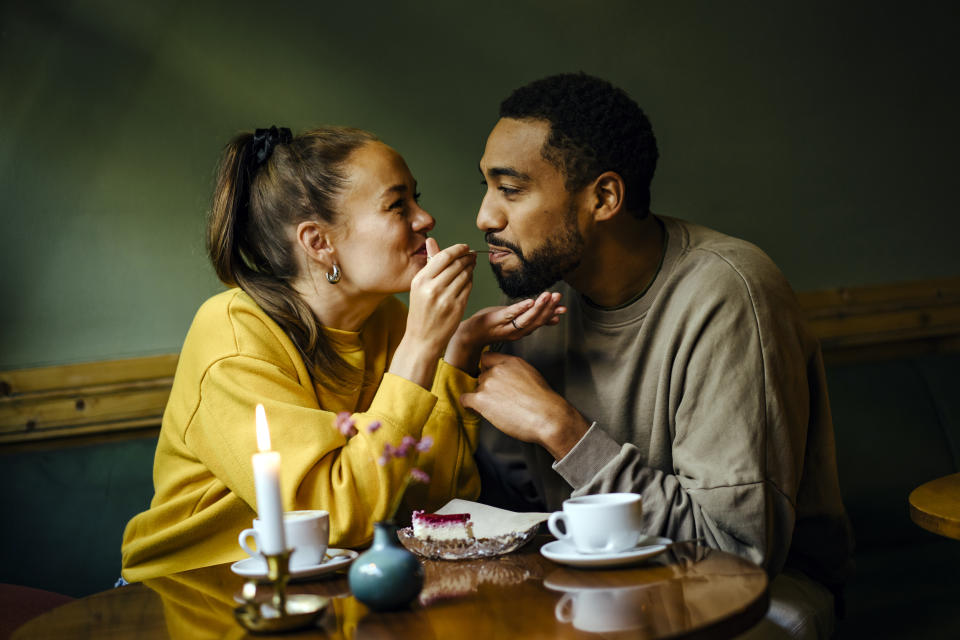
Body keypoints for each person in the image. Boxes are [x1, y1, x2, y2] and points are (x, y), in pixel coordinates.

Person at [461, 74, 854, 638]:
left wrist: (560, 428)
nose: (485, 217)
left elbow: (733, 556)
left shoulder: (728, 293)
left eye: (511, 190)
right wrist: (442, 360)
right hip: (591, 583)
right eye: (487, 187)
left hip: (759, 597)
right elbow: (515, 508)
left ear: (604, 198)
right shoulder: (540, 301)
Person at [121, 126, 562, 582]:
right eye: (397, 205)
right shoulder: (233, 337)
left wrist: (454, 352)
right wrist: (420, 346)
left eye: (416, 199)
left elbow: (434, 503)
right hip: (189, 591)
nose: (425, 218)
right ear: (318, 242)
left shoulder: (388, 320)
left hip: (323, 587)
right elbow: (330, 521)